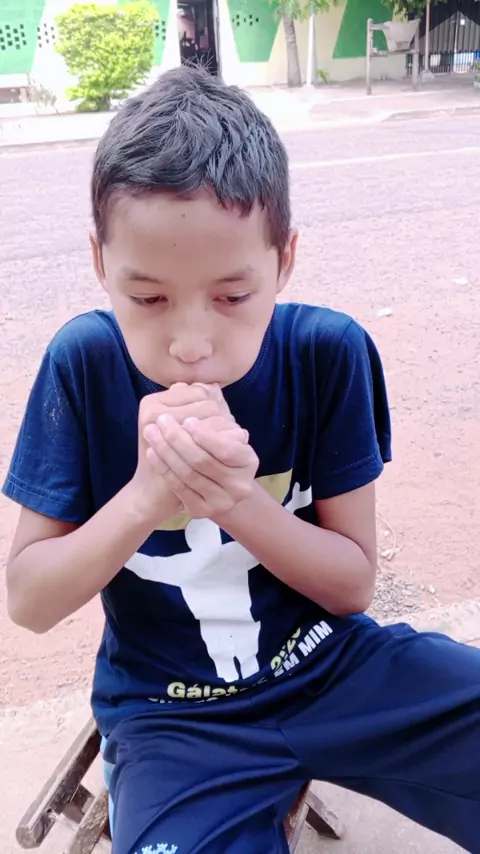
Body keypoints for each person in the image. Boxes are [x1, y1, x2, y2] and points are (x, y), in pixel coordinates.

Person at [3, 67, 479, 854]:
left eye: (232, 296)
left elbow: (352, 584)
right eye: (148, 298)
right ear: (99, 263)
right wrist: (147, 497)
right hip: (170, 715)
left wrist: (237, 500)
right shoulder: (83, 365)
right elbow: (30, 600)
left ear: (284, 260)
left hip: (330, 668)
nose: (191, 343)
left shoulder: (326, 353)